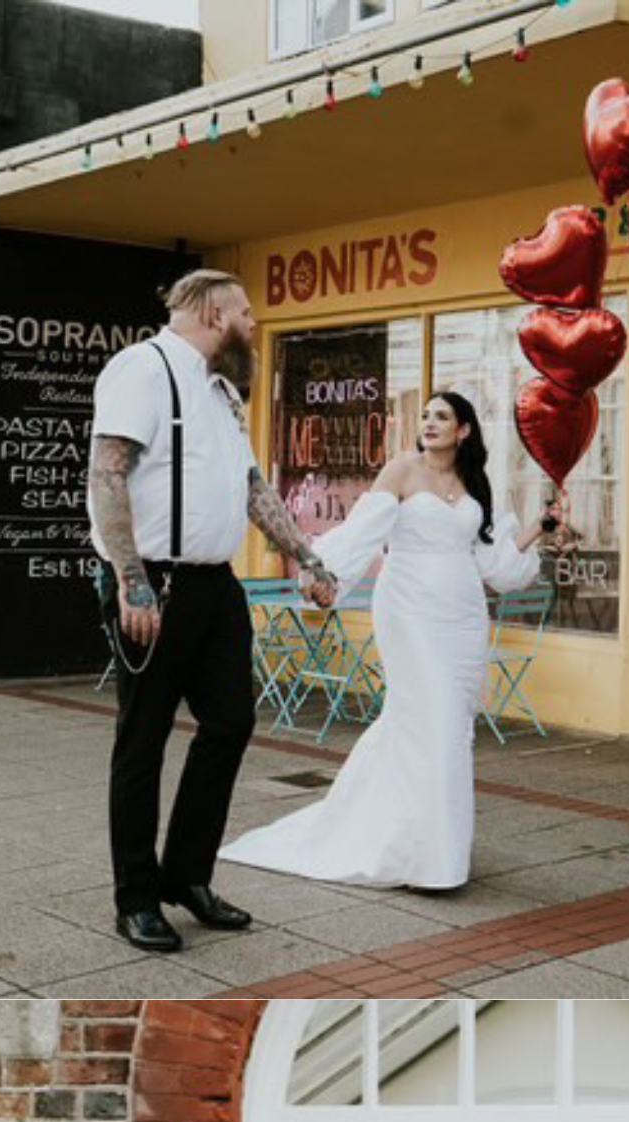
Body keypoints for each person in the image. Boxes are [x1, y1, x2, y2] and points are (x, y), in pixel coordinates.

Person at [88, 267, 337, 954]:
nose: (254, 324)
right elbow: (107, 473)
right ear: (211, 312)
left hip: (214, 586)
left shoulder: (221, 389)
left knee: (230, 722)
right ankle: (137, 899)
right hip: (154, 583)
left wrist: (308, 560)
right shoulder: (142, 369)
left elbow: (252, 487)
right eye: (245, 312)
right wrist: (131, 579)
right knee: (143, 741)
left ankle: (186, 876)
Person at [220, 391, 549, 891]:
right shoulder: (401, 471)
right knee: (431, 718)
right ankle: (427, 862)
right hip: (409, 609)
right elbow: (362, 533)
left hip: (463, 617)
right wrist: (323, 573)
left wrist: (539, 529)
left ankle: (430, 848)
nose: (429, 423)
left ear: (463, 430)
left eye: (442, 416)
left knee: (448, 727)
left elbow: (494, 563)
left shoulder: (474, 483)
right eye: (426, 415)